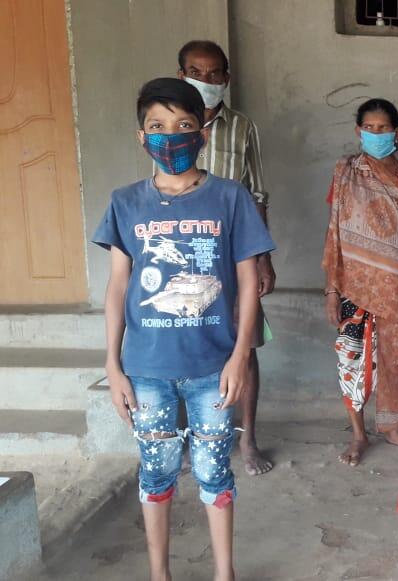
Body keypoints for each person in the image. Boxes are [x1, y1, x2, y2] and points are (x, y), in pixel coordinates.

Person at [93, 78, 275, 581]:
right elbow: (117, 288)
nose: (169, 136)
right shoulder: (125, 202)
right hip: (146, 370)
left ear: (202, 133)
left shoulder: (230, 197)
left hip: (212, 369)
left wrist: (240, 355)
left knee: (215, 474)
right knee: (155, 474)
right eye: (157, 126)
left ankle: (224, 573)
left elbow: (246, 284)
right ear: (141, 136)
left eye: (183, 126)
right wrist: (113, 364)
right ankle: (160, 574)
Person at [177, 40, 277, 476]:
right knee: (183, 342)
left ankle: (247, 438)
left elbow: (257, 194)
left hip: (234, 252)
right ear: (182, 75)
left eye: (215, 73)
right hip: (181, 252)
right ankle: (187, 434)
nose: (207, 80)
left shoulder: (242, 127)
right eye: (197, 72)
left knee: (245, 345)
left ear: (227, 79)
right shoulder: (170, 125)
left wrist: (263, 258)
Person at [322, 98, 398, 466]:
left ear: (397, 132)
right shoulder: (345, 173)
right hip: (354, 285)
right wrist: (331, 289)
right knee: (352, 362)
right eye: (368, 128)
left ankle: (392, 427)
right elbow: (335, 233)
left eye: (382, 128)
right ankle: (359, 435)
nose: (375, 134)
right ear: (358, 132)